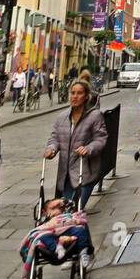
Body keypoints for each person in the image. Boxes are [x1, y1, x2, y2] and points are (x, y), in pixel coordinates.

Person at [43, 80, 107, 208]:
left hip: (85, 172)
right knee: (65, 215)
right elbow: (55, 138)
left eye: (79, 93)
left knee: (76, 211)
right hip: (66, 174)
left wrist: (89, 148)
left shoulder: (95, 116)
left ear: (86, 96)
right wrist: (52, 149)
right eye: (72, 93)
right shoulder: (62, 117)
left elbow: (101, 139)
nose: (75, 96)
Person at [19, 198, 93, 276]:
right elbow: (40, 229)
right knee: (42, 236)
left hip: (67, 232)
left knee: (80, 230)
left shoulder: (66, 214)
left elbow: (72, 207)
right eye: (52, 209)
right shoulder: (45, 219)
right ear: (44, 212)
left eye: (57, 208)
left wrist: (61, 202)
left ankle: (83, 252)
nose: (56, 210)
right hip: (51, 236)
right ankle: (57, 248)